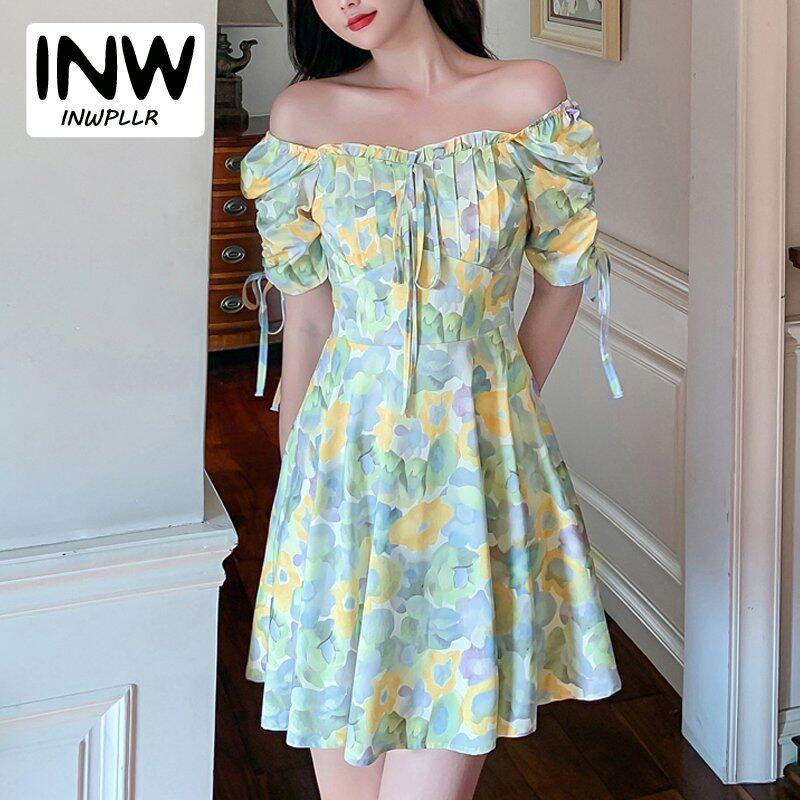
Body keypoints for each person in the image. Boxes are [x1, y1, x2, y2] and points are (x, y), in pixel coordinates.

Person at [239, 1, 624, 798]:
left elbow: (562, 281)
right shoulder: (304, 116)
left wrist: (497, 415)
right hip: (341, 485)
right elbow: (306, 322)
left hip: (471, 483)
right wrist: (297, 495)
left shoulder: (527, 98)